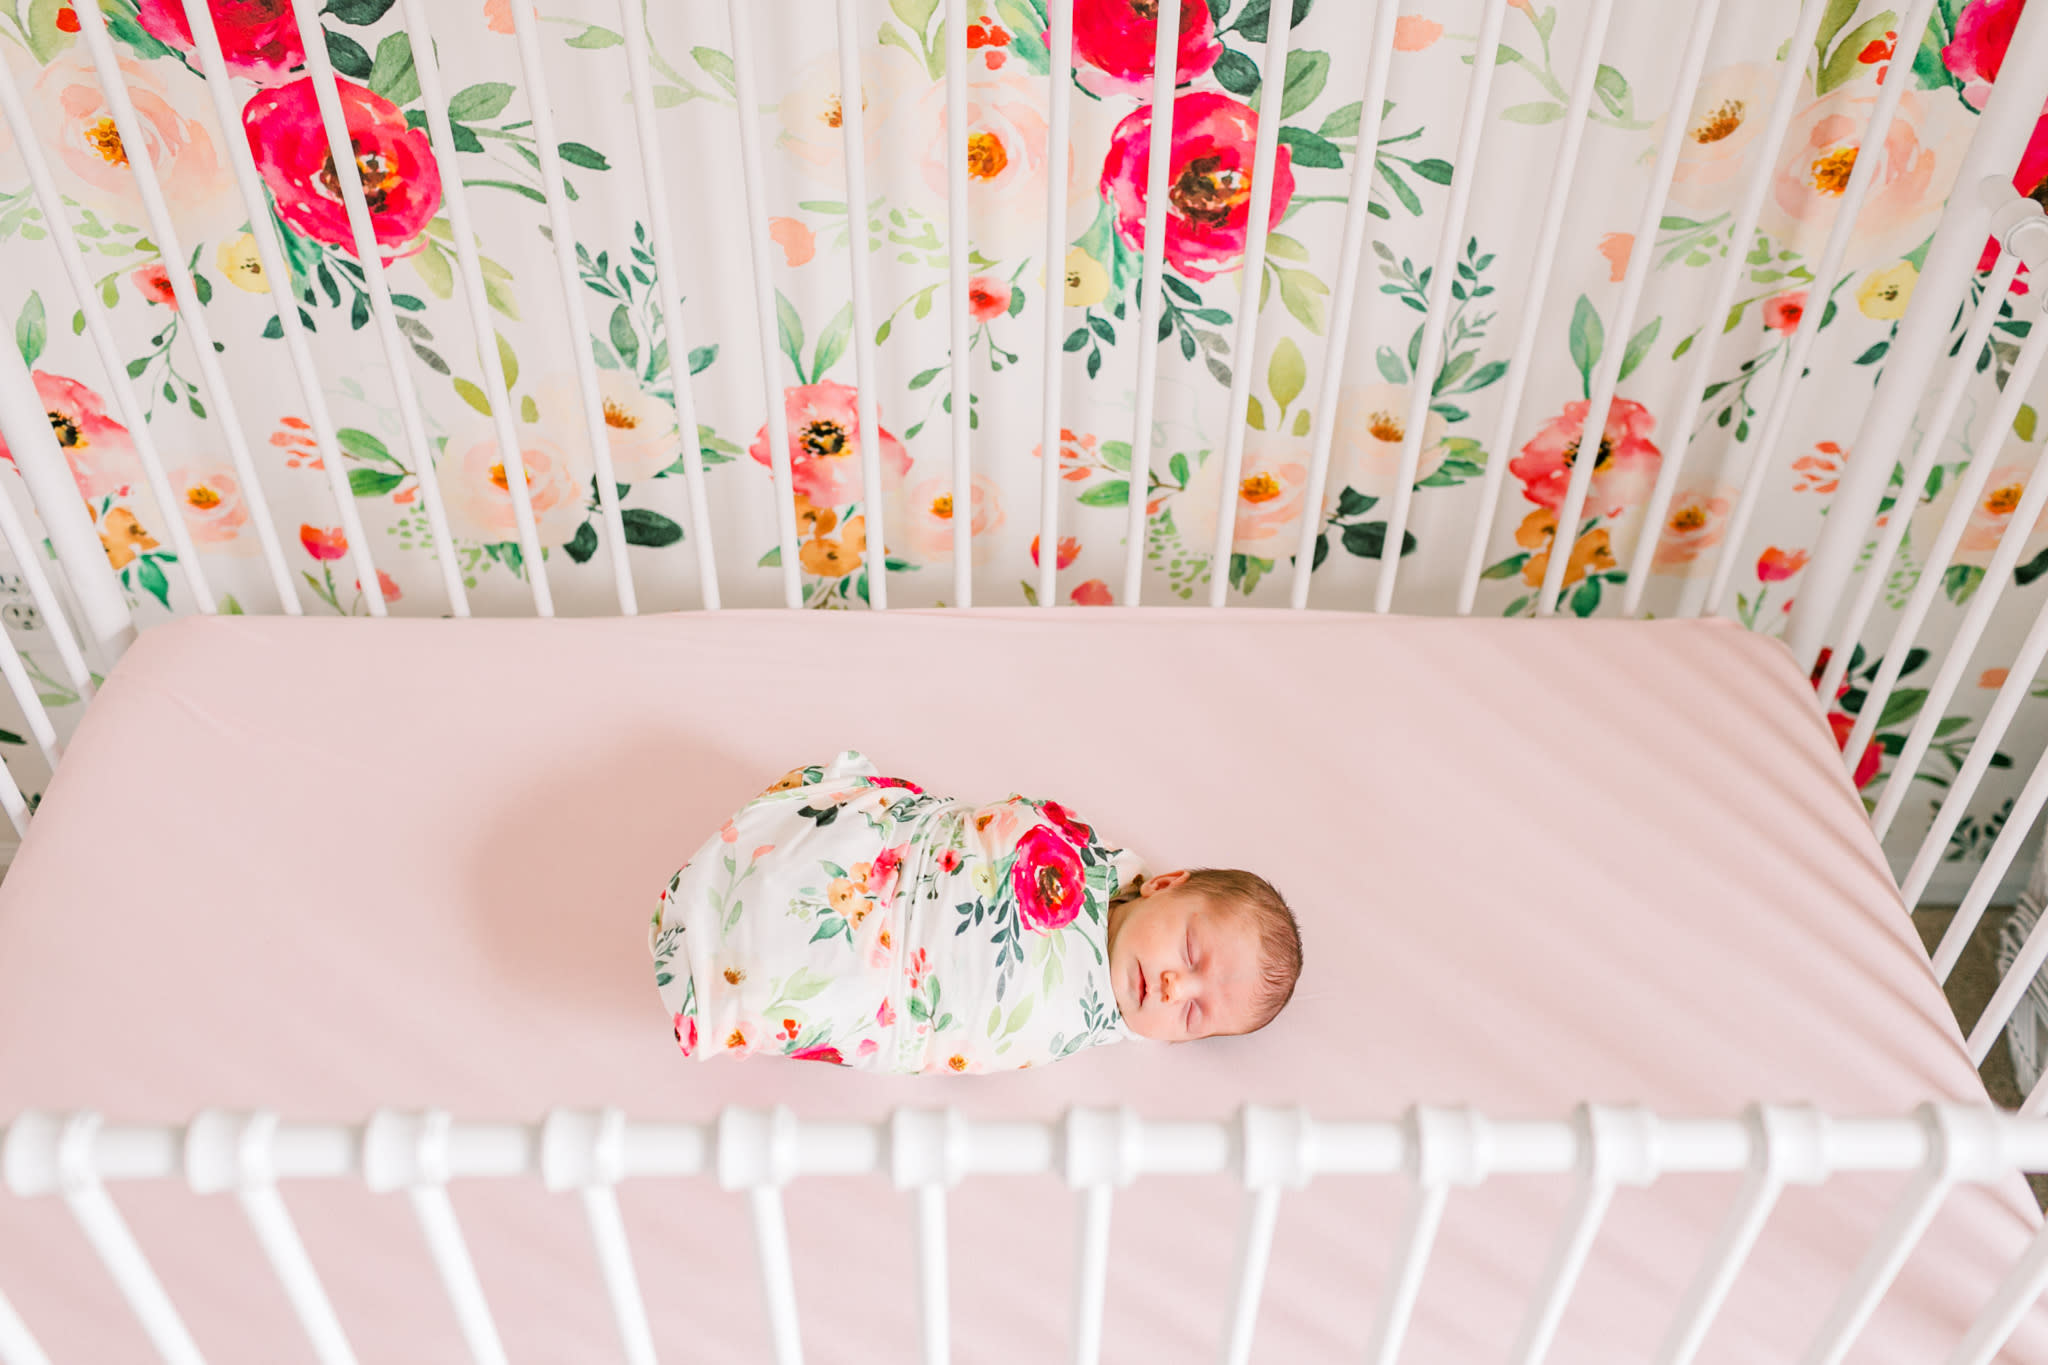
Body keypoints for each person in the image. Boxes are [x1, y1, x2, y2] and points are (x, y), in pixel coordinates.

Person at [650, 751, 1302, 1074]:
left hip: (896, 999)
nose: (1172, 986)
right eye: (1189, 955)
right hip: (904, 870)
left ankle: (729, 980)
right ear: (1167, 883)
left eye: (1191, 1014)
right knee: (817, 871)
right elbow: (1002, 828)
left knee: (799, 977)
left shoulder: (1085, 1025)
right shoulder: (1078, 855)